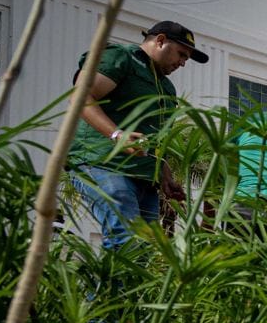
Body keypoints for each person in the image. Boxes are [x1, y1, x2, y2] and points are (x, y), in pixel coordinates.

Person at [67, 21, 206, 249]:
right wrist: (117, 135)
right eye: (181, 54)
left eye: (186, 59)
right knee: (127, 240)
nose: (182, 63)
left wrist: (166, 176)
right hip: (103, 164)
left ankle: (109, 285)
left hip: (143, 178)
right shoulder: (120, 58)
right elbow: (81, 97)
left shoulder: (166, 88)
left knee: (144, 250)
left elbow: (156, 138)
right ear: (160, 40)